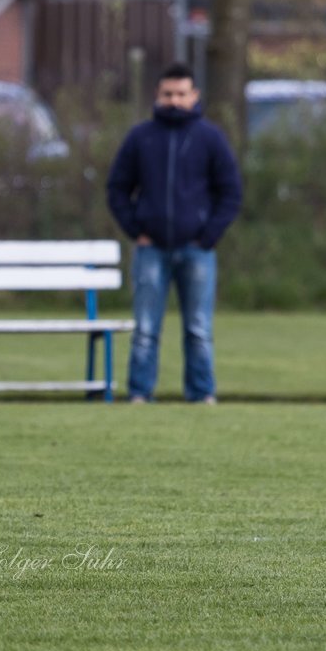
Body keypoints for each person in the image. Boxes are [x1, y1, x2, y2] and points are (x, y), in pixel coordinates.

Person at [107, 62, 242, 404]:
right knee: (146, 330)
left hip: (197, 248)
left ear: (194, 95)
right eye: (168, 94)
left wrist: (208, 235)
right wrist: (136, 229)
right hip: (151, 248)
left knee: (198, 330)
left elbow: (230, 192)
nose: (175, 101)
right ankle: (139, 393)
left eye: (182, 94)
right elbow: (117, 189)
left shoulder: (209, 138)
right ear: (158, 95)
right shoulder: (141, 138)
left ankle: (201, 394)